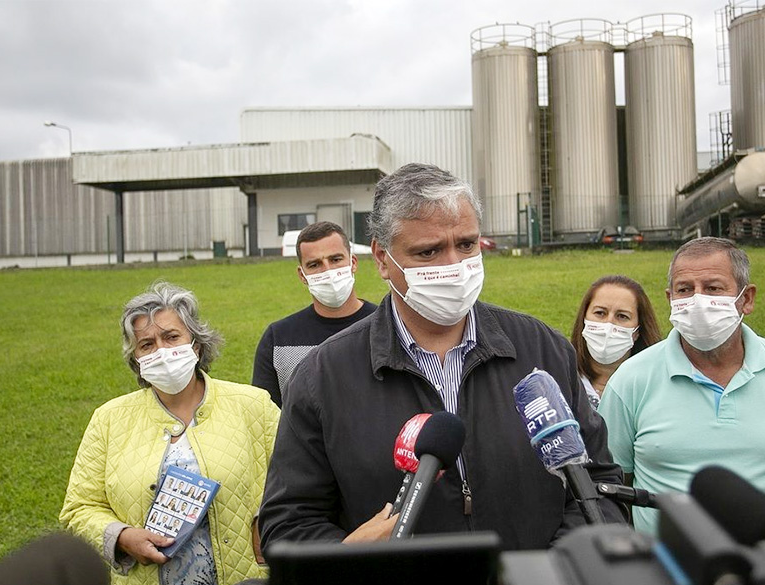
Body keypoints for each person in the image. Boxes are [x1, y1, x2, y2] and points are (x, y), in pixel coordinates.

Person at [259, 163, 625, 551]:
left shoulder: (542, 350)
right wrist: (351, 558)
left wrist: (548, 570)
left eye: (466, 244)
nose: (454, 266)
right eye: (428, 251)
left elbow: (601, 487)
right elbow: (288, 525)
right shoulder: (323, 376)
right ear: (383, 259)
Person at [598, 237, 765, 534]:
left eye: (713, 288)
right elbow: (613, 485)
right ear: (670, 300)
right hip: (665, 573)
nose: (697, 301)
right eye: (685, 290)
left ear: (747, 299)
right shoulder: (630, 380)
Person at [60, 281, 281, 585]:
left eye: (171, 336)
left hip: (244, 582)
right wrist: (121, 537)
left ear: (196, 344)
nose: (161, 350)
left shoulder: (253, 405)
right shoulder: (108, 419)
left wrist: (267, 518)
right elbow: (79, 508)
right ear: (136, 359)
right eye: (147, 344)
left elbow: (299, 477)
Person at [252, 221, 377, 406]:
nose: (328, 271)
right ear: (302, 275)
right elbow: (265, 417)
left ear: (353, 262)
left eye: (335, 259)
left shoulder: (388, 325)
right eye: (314, 264)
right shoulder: (278, 339)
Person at [569, 275, 662, 410]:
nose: (609, 324)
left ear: (637, 331)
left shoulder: (655, 385)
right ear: (584, 319)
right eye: (600, 313)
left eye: (622, 316)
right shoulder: (560, 376)